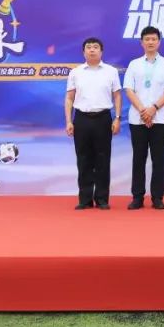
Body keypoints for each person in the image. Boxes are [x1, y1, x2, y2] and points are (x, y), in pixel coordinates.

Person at [123, 26, 164, 210]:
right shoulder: (134, 64)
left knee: (158, 158)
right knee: (138, 158)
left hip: (160, 118)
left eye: (154, 39)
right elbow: (129, 90)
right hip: (137, 118)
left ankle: (157, 197)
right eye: (147, 39)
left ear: (159, 42)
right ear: (142, 42)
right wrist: (143, 110)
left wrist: (153, 108)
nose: (150, 42)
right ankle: (137, 197)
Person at [65, 37, 122, 210]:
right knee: (83, 160)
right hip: (81, 119)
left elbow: (117, 96)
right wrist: (69, 121)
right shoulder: (75, 72)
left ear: (101, 51)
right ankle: (85, 199)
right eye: (88, 47)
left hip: (103, 118)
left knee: (103, 160)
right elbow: (69, 98)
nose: (92, 50)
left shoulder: (111, 71)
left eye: (95, 47)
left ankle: (102, 199)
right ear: (83, 52)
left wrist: (117, 117)